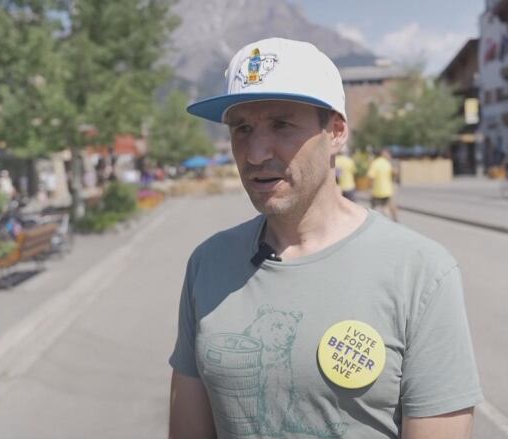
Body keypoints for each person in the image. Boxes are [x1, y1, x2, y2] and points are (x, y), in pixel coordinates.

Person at [169, 37, 483, 439]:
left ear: (335, 132)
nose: (255, 152)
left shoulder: (422, 272)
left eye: (281, 125)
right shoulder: (207, 264)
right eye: (242, 129)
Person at [367, 148, 398, 222]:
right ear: (383, 154)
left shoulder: (375, 163)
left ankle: (373, 222)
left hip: (377, 191)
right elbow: (395, 173)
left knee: (374, 208)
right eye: (388, 153)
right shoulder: (387, 163)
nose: (389, 155)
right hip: (387, 190)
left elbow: (370, 177)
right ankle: (395, 221)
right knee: (387, 206)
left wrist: (370, 189)